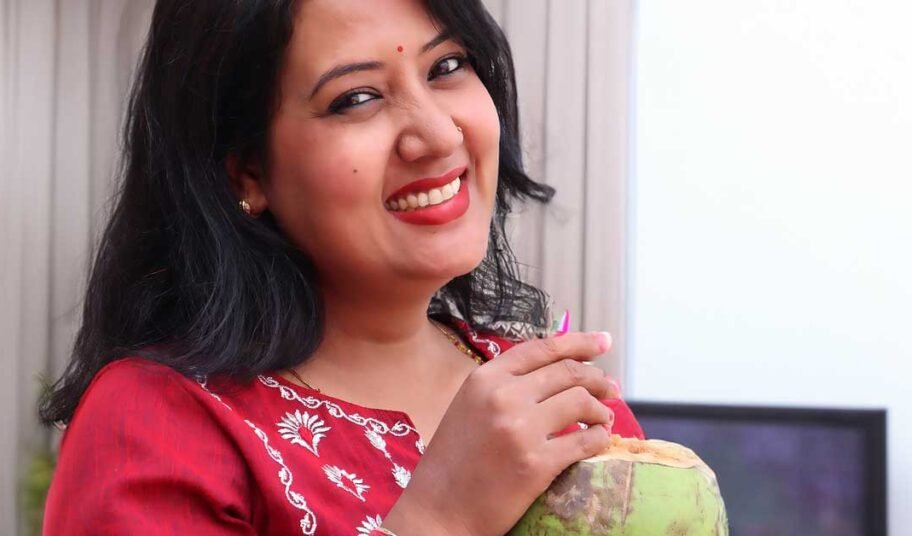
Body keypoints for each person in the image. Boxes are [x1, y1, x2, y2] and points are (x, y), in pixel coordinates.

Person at [40, 0, 645, 534]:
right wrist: (440, 522)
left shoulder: (559, 406)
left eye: (446, 67)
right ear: (247, 173)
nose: (435, 135)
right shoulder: (157, 426)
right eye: (356, 98)